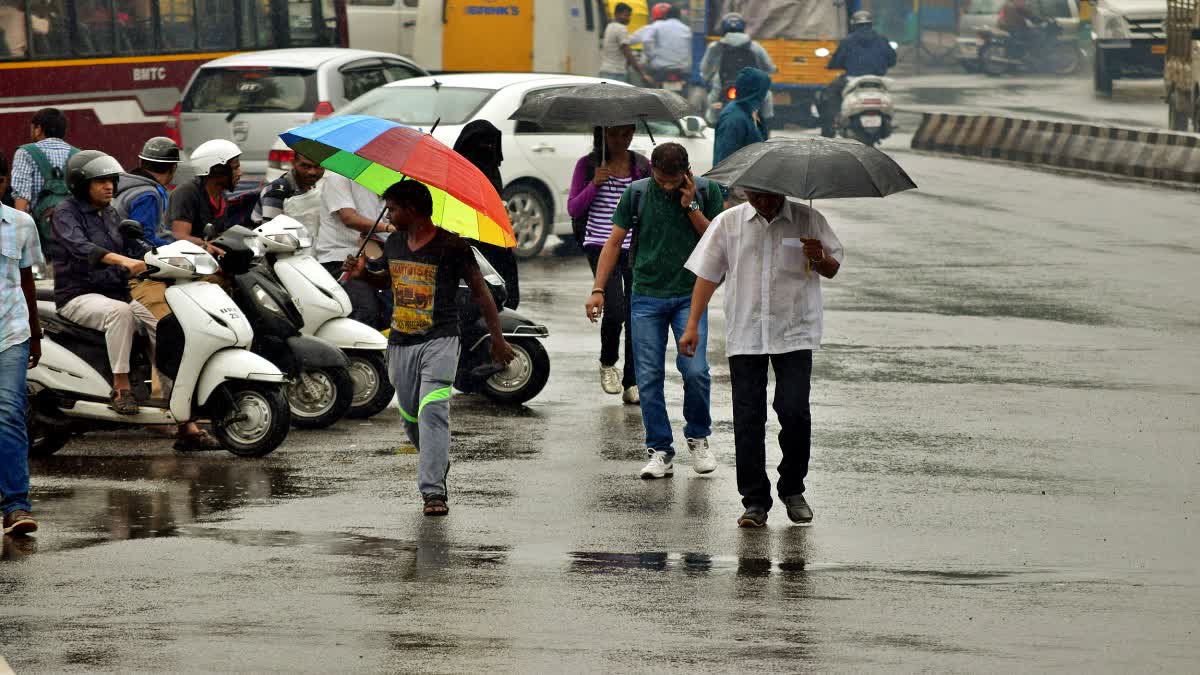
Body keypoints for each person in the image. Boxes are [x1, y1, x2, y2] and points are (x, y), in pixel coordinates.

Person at [344, 180, 514, 517]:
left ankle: (433, 491)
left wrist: (498, 338)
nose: (388, 215)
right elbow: (388, 281)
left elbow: (481, 292)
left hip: (441, 340)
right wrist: (364, 274)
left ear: (413, 210)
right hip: (401, 342)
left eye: (393, 209)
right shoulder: (393, 242)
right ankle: (436, 459)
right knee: (410, 418)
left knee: (433, 410)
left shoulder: (452, 246)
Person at [679, 190, 843, 528]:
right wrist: (692, 324)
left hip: (795, 330)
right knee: (748, 418)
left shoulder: (808, 219)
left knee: (795, 411)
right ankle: (754, 500)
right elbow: (707, 274)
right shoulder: (729, 223)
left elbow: (832, 268)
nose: (763, 203)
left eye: (768, 197)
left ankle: (793, 488)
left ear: (781, 189)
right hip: (746, 331)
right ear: (746, 192)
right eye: (755, 197)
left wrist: (820, 257)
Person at [584, 143, 722, 479]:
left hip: (690, 295)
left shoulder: (708, 190)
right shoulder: (637, 193)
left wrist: (690, 206)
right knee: (648, 378)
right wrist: (598, 289)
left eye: (672, 181)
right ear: (652, 172)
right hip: (645, 296)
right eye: (660, 180)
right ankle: (660, 449)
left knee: (696, 371)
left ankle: (698, 436)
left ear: (686, 173)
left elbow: (717, 242)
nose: (666, 186)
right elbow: (613, 243)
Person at [51, 151, 155, 415]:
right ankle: (121, 388)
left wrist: (156, 257)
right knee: (120, 314)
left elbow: (134, 246)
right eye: (100, 181)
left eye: (110, 180)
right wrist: (122, 262)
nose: (109, 186)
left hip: (116, 293)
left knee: (162, 321)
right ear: (82, 184)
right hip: (78, 295)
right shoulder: (65, 213)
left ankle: (166, 391)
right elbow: (80, 247)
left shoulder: (111, 213)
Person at [568, 125, 650, 403]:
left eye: (626, 134)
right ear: (603, 135)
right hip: (600, 245)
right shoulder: (588, 164)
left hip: (634, 247)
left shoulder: (641, 165)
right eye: (614, 134)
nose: (621, 140)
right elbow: (573, 208)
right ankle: (607, 362)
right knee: (614, 309)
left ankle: (632, 381)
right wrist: (594, 184)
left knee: (635, 313)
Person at [0, 200, 43, 535]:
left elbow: (26, 279)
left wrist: (36, 333)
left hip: (10, 333)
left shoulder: (21, 223)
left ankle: (16, 506)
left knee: (9, 413)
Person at [453, 119, 519, 309]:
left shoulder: (492, 170)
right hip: (466, 240)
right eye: (482, 144)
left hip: (495, 239)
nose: (487, 149)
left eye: (491, 144)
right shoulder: (459, 173)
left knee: (504, 292)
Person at [317, 171, 394, 327]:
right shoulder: (337, 178)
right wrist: (389, 228)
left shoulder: (376, 182)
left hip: (373, 259)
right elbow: (349, 218)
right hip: (341, 260)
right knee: (366, 313)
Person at [10, 108, 78, 254]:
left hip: (40, 234)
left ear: (38, 129)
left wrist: (19, 238)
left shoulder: (25, 152)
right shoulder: (78, 155)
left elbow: (21, 197)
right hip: (74, 233)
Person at [821, 10, 896, 137]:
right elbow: (892, 60)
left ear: (853, 25)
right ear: (870, 24)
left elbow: (837, 60)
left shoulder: (848, 41)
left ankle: (834, 122)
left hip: (852, 79)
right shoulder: (882, 39)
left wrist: (832, 65)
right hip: (877, 79)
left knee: (831, 92)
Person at [699, 12, 777, 126]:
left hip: (723, 85)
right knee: (767, 96)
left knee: (713, 101)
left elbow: (705, 68)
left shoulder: (715, 46)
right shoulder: (755, 46)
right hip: (751, 86)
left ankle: (713, 126)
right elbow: (768, 66)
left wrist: (706, 77)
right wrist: (772, 70)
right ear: (743, 27)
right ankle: (765, 126)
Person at [167, 139, 241, 246]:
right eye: (235, 168)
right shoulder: (187, 193)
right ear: (217, 170)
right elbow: (180, 237)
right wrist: (208, 245)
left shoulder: (220, 195)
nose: (240, 173)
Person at [713, 67, 771, 167]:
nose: (766, 94)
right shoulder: (733, 119)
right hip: (734, 181)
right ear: (756, 91)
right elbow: (724, 160)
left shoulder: (752, 112)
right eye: (764, 90)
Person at [623, 3, 691, 87]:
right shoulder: (687, 29)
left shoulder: (654, 27)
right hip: (682, 68)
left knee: (640, 74)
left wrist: (652, 56)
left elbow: (638, 40)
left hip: (659, 68)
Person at [251, 151, 325, 226]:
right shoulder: (278, 190)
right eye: (305, 166)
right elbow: (270, 230)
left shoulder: (312, 187)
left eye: (318, 166)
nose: (312, 172)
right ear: (293, 163)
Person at [599, 2, 634, 82]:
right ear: (617, 14)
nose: (628, 18)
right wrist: (642, 73)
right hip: (616, 72)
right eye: (626, 15)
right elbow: (627, 52)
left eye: (629, 16)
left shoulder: (609, 26)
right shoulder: (621, 28)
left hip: (605, 70)